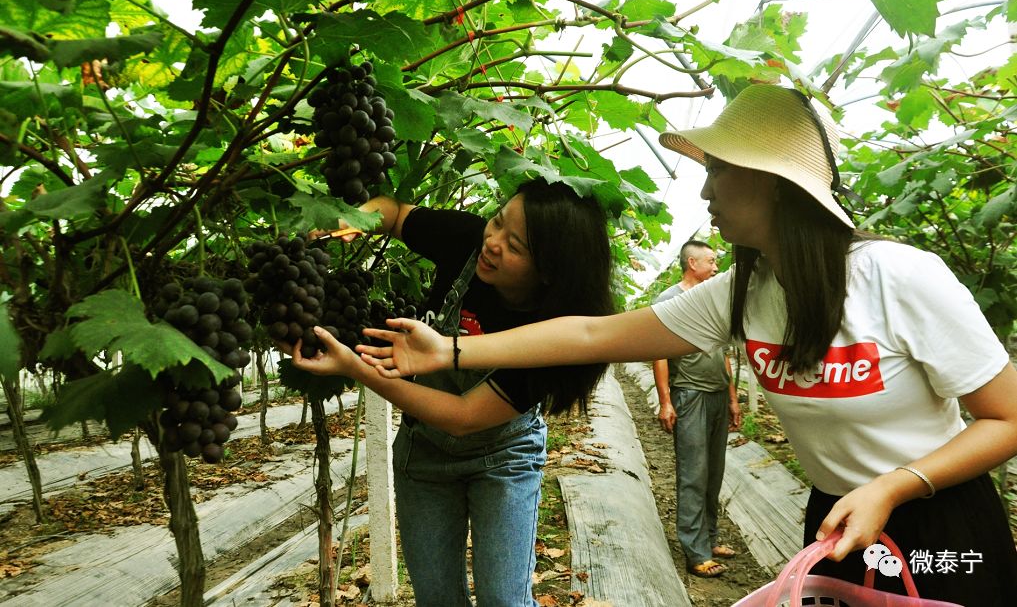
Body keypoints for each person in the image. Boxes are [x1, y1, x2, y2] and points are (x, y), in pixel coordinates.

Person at [355, 84, 1017, 605]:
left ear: (775, 184)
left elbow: (1007, 417)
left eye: (721, 170)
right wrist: (450, 353)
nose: (704, 188)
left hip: (939, 519)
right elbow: (591, 334)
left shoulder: (898, 277)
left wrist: (897, 487)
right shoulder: (743, 292)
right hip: (835, 518)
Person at [288, 178, 614, 607]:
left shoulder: (555, 337)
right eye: (497, 222)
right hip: (422, 452)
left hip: (503, 455)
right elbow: (395, 212)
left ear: (550, 270)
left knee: (503, 600)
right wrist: (356, 220)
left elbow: (463, 415)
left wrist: (355, 368)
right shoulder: (467, 239)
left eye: (514, 246)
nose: (492, 242)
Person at [652, 240, 741, 579]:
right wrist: (665, 400)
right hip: (689, 395)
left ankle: (710, 537)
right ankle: (696, 550)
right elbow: (659, 352)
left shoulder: (713, 299)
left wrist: (733, 398)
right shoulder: (671, 299)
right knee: (694, 472)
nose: (716, 266)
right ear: (692, 262)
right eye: (711, 260)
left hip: (718, 394)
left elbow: (724, 353)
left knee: (714, 472)